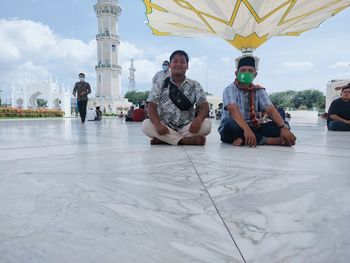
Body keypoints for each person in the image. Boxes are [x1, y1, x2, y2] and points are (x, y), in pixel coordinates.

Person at [218, 55, 296, 147]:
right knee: (230, 125)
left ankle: (244, 139)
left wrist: (283, 128)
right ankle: (268, 140)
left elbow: (270, 109)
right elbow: (233, 110)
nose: (246, 73)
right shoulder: (230, 89)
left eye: (250, 71)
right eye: (243, 70)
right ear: (236, 73)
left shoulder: (259, 90)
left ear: (255, 75)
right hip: (237, 126)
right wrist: (247, 130)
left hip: (254, 127)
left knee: (284, 124)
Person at [142, 50, 211, 146]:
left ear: (187, 66)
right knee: (146, 125)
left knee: (207, 125)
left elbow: (204, 106)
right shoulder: (160, 84)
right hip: (165, 128)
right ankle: (184, 140)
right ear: (170, 65)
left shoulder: (195, 85)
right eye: (175, 61)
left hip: (188, 127)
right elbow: (151, 107)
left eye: (182, 62)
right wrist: (158, 125)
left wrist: (198, 120)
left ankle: (166, 140)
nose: (178, 64)